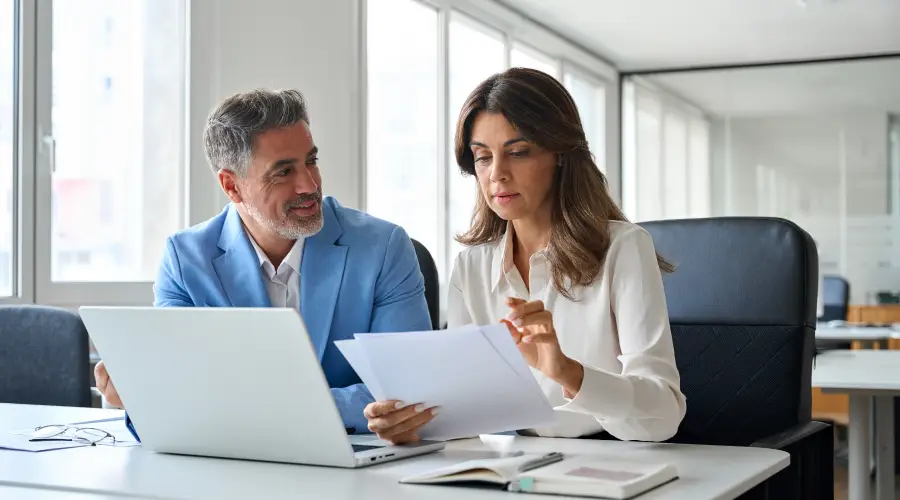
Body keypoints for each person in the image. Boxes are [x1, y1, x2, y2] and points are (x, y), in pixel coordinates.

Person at [365, 68, 686, 443]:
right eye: (482, 157)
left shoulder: (624, 247)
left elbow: (663, 417)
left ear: (560, 154)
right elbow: (465, 409)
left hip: (609, 456)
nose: (497, 174)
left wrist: (567, 372)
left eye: (517, 153)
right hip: (514, 458)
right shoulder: (471, 266)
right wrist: (412, 423)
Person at [94, 89, 436, 436]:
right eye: (283, 172)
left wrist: (246, 408)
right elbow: (174, 398)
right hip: (234, 462)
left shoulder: (382, 247)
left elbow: (408, 387)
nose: (309, 184)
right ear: (232, 186)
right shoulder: (186, 261)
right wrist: (136, 394)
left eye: (311, 161)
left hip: (358, 459)